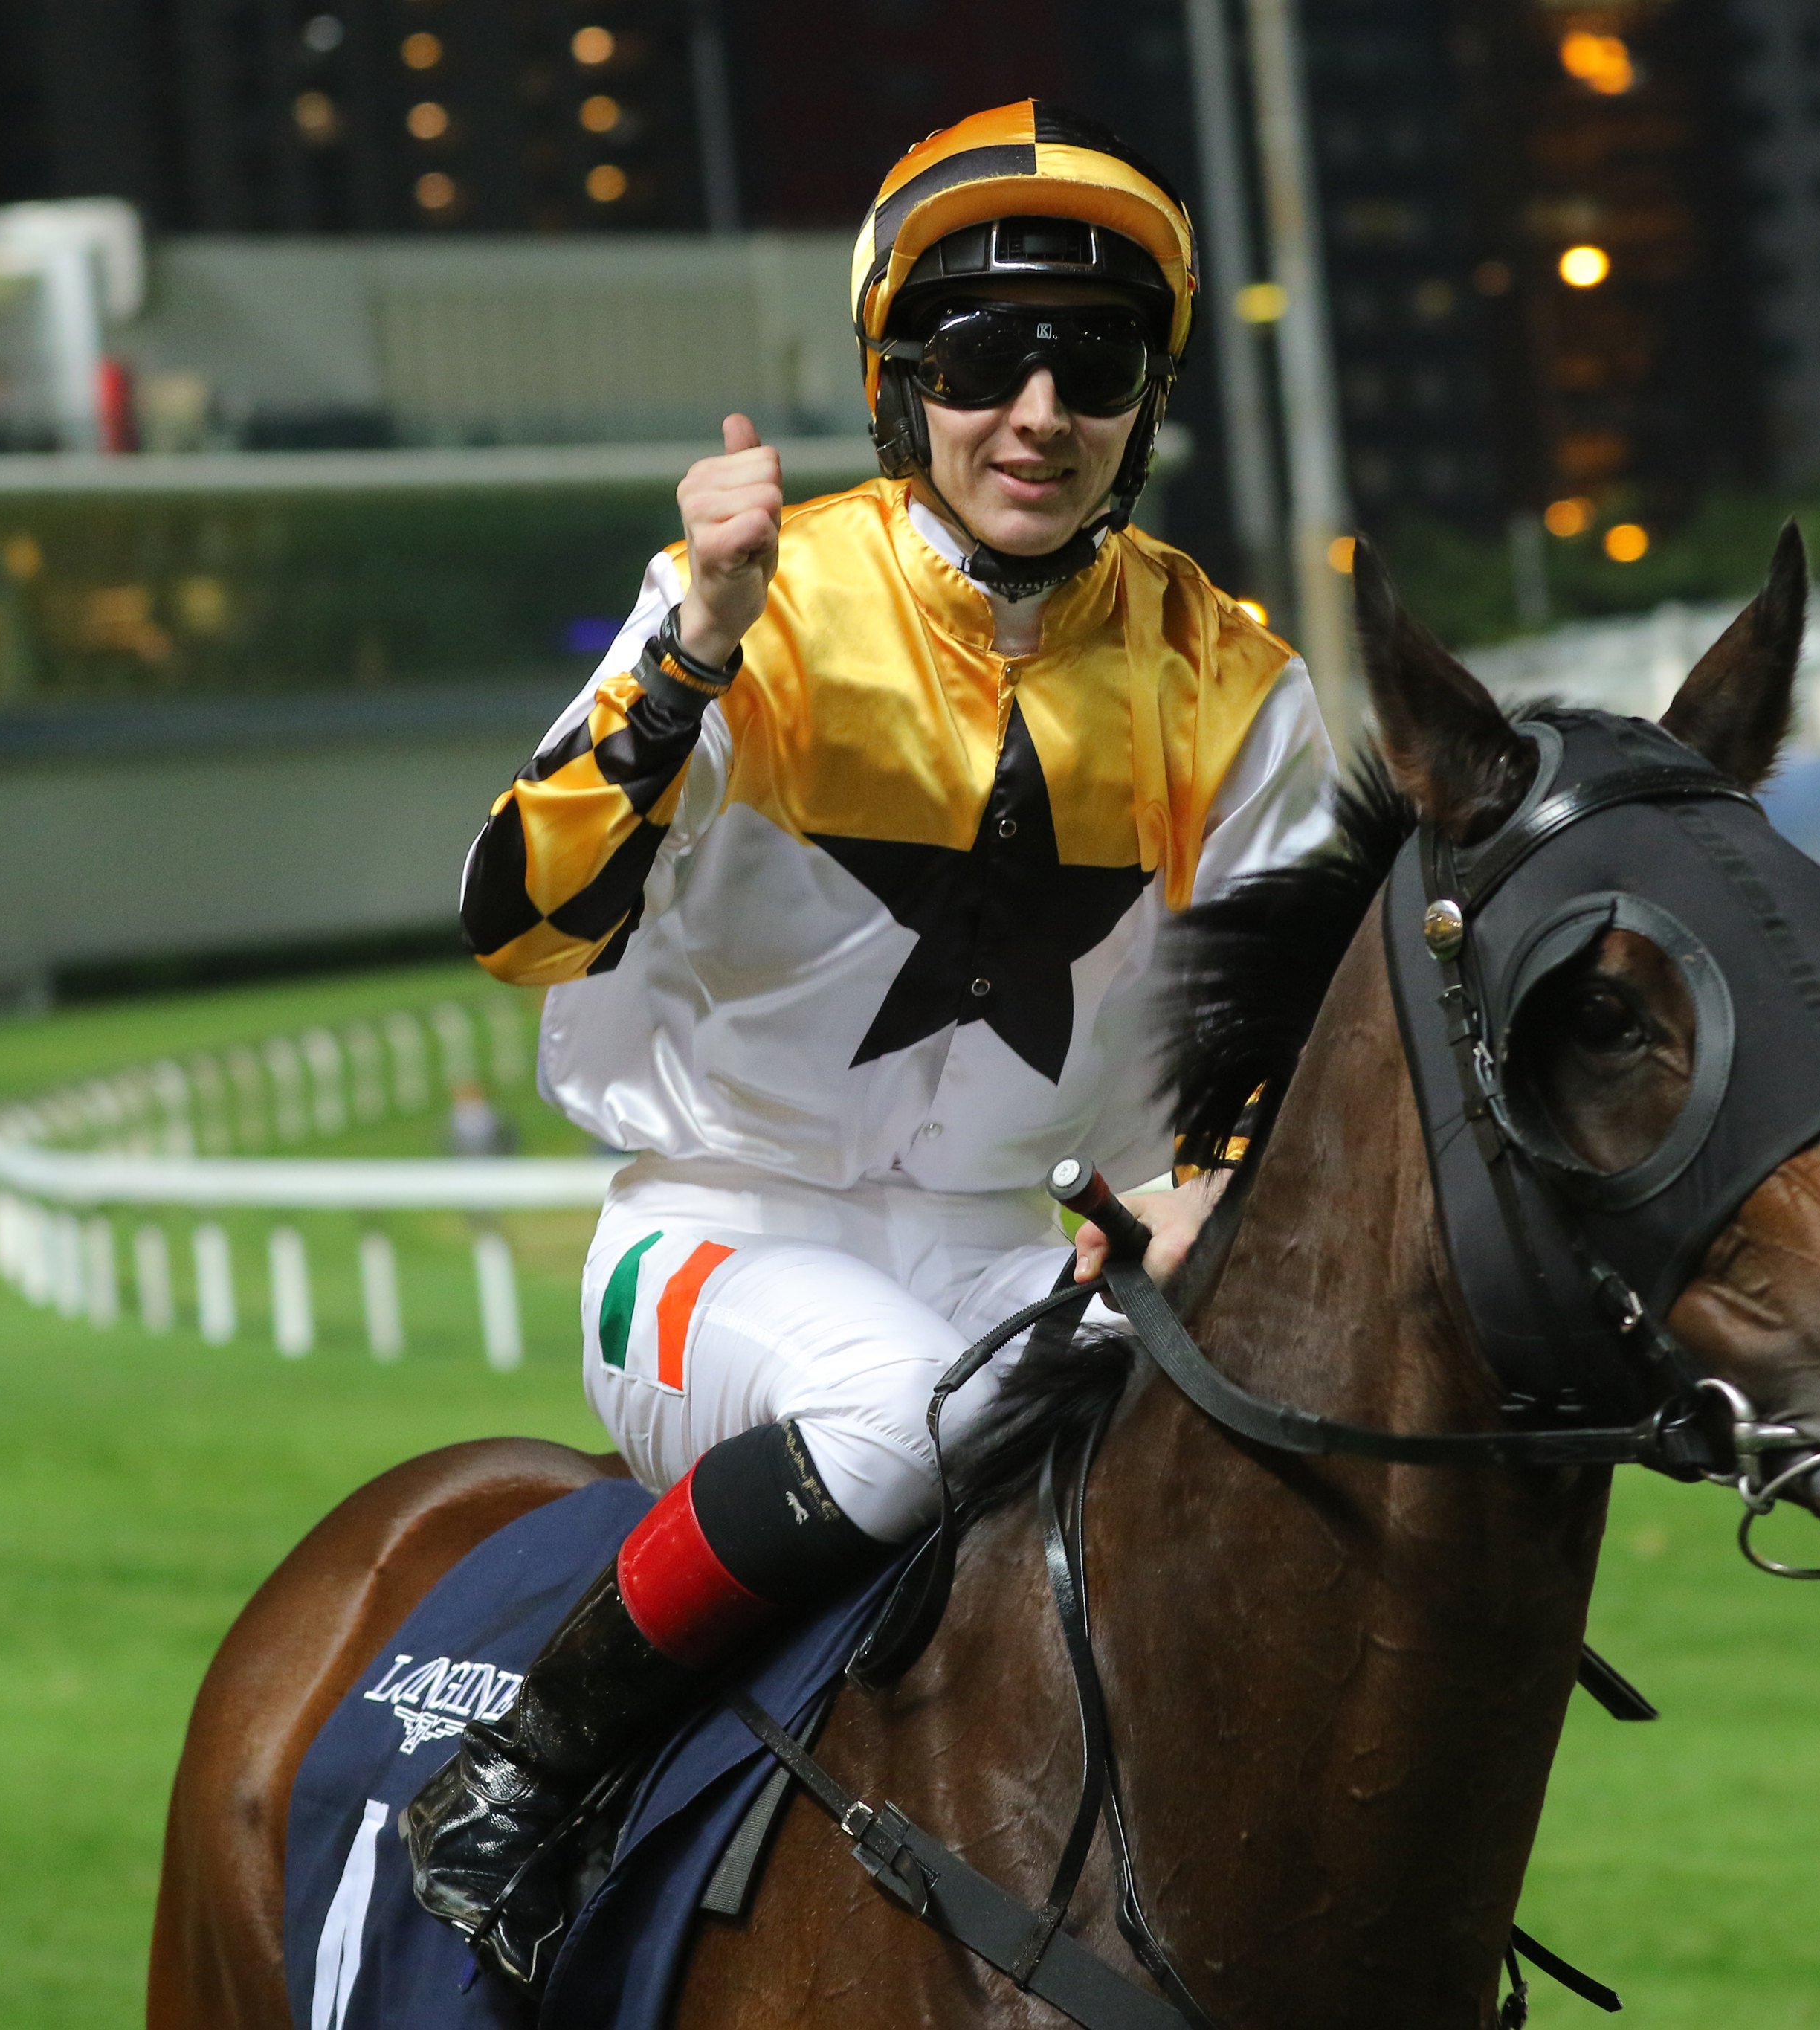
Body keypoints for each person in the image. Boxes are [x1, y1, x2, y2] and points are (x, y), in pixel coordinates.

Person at [409, 101, 1335, 1982]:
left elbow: (1289, 1038)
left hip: (1018, 1244)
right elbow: (515, 923)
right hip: (719, 1238)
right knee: (903, 1414)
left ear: (1147, 402)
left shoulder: (1236, 679)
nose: (1039, 411)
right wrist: (686, 658)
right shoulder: (753, 612)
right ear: (903, 384)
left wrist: (1196, 1190)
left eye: (1095, 365)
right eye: (989, 359)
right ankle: (528, 1763)